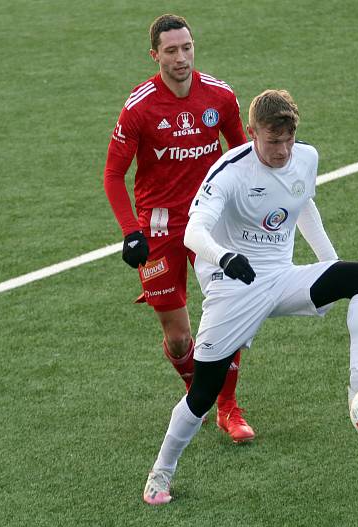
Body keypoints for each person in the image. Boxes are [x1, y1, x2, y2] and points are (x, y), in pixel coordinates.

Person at [142, 89, 358, 505]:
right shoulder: (229, 173)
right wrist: (226, 255)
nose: (283, 150)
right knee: (202, 394)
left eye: (289, 140)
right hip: (232, 286)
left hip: (282, 277)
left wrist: (331, 264)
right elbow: (193, 232)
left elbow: (302, 202)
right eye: (274, 142)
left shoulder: (305, 157)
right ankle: (159, 476)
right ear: (251, 132)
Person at [103, 14, 255, 442]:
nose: (181, 57)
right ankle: (197, 392)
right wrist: (130, 231)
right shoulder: (139, 106)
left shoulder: (221, 96)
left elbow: (241, 155)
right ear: (155, 55)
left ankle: (228, 408)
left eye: (186, 47)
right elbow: (113, 175)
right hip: (159, 228)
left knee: (228, 314)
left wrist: (249, 208)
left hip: (210, 223)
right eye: (170, 51)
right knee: (177, 337)